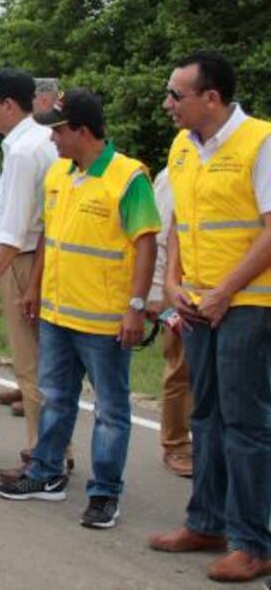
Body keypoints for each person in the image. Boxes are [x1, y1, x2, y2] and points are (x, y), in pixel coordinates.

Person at [0, 89, 159, 531]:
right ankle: (47, 474)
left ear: (82, 131)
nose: (52, 140)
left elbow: (146, 246)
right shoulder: (60, 175)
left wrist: (136, 308)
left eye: (58, 131)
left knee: (109, 410)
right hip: (58, 314)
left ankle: (105, 494)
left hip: (104, 321)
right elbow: (50, 236)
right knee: (55, 398)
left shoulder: (129, 178)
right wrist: (34, 288)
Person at [149, 51, 271, 583]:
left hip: (249, 303)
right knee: (206, 418)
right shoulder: (181, 147)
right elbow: (179, 224)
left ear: (211, 98)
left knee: (245, 425)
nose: (168, 104)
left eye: (177, 94)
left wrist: (225, 290)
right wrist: (174, 282)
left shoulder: (260, 142)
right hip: (197, 303)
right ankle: (206, 522)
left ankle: (253, 543)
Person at [0, 68, 61, 479]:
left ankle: (41, 453)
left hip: (23, 259)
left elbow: (16, 225)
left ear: (8, 104)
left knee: (30, 364)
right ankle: (55, 447)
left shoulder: (25, 151)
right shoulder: (40, 141)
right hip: (40, 255)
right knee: (47, 362)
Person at [147, 166, 192, 479]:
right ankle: (175, 443)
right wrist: (156, 291)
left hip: (226, 291)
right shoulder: (176, 173)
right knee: (181, 368)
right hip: (179, 293)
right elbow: (159, 238)